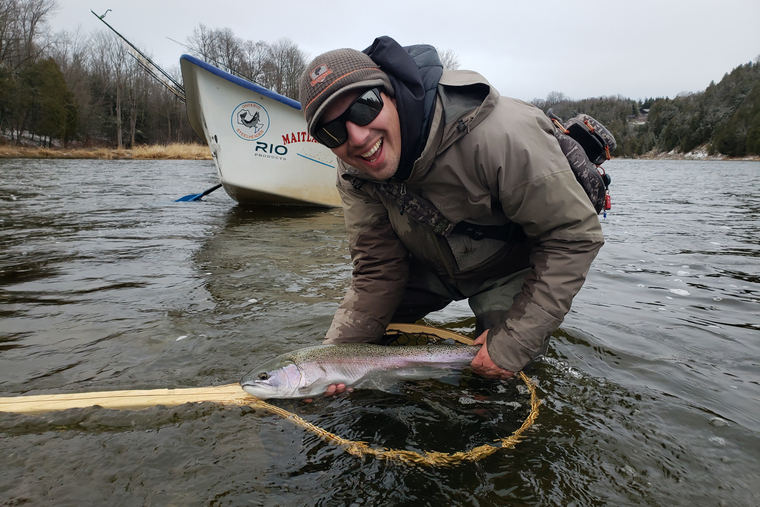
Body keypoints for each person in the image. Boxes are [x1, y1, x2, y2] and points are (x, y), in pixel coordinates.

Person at [298, 36, 604, 393]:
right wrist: (333, 359)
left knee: (496, 383)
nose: (358, 136)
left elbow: (573, 236)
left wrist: (513, 343)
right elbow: (377, 270)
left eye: (365, 107)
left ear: (391, 93)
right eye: (331, 131)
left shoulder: (499, 134)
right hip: (431, 266)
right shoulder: (353, 171)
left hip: (509, 270)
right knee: (362, 349)